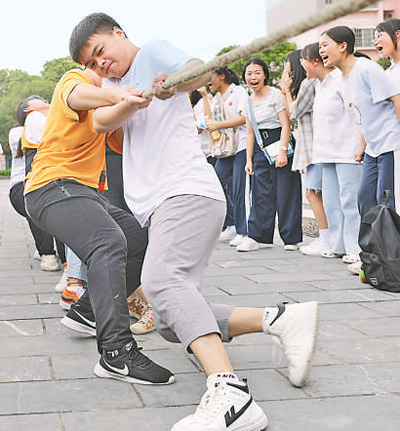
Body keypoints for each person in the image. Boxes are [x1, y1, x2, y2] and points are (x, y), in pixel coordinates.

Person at [69, 13, 319, 430]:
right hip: (161, 205)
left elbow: (196, 72)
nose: (101, 65)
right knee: (171, 320)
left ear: (118, 33)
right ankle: (280, 319)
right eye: (92, 64)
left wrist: (173, 84)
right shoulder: (113, 88)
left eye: (101, 52)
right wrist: (127, 101)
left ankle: (232, 395)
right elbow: (100, 124)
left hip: (184, 191)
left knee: (161, 281)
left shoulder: (151, 52)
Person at [24, 66, 174, 386]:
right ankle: (116, 353)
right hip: (52, 186)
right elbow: (77, 95)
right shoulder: (76, 79)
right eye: (100, 65)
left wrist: (140, 101)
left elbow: (115, 134)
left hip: (86, 193)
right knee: (108, 242)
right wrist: (119, 94)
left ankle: (88, 311)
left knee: (137, 237)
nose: (109, 74)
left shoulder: (103, 104)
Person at [319, 26, 400, 274]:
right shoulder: (342, 78)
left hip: (390, 143)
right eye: (320, 46)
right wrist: (362, 146)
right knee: (364, 198)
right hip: (373, 148)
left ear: (343, 46)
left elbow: (396, 99)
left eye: (325, 45)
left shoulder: (366, 69)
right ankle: (373, 257)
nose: (321, 50)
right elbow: (362, 114)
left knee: (387, 202)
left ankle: (391, 261)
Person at [300, 42, 362, 263]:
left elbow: (357, 113)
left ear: (314, 62)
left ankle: (355, 248)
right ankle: (337, 245)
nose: (302, 66)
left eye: (303, 61)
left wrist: (360, 146)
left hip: (347, 151)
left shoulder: (341, 80)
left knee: (350, 203)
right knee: (332, 203)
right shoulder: (319, 85)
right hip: (325, 153)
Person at [238, 57, 303, 252]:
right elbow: (250, 132)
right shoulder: (248, 101)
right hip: (260, 147)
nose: (253, 77)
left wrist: (282, 151)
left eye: (257, 73)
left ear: (265, 75)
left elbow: (286, 124)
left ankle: (291, 238)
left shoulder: (275, 95)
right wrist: (249, 159)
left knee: (286, 192)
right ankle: (259, 237)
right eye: (249, 74)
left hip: (280, 142)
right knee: (260, 193)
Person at [281, 50, 330, 256]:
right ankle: (327, 237)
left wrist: (286, 90)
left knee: (313, 192)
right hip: (315, 146)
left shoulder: (308, 85)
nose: (285, 75)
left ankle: (326, 239)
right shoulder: (315, 84)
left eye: (288, 71)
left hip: (314, 147)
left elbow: (294, 112)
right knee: (320, 193)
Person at [17, 95, 66, 273]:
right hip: (43, 185)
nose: (45, 101)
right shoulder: (34, 118)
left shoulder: (43, 118)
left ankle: (70, 273)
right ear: (28, 109)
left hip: (47, 183)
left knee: (63, 224)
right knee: (63, 224)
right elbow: (61, 136)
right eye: (38, 100)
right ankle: (69, 273)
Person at [205, 67, 249, 247]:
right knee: (215, 183)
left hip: (241, 146)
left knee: (239, 188)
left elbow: (245, 118)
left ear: (221, 76)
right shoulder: (216, 98)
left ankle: (243, 231)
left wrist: (220, 125)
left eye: (210, 76)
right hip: (224, 149)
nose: (207, 81)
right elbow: (209, 119)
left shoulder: (237, 92)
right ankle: (230, 223)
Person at [374, 18, 400, 214]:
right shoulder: (388, 73)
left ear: (397, 35)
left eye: (379, 36)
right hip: (391, 144)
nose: (375, 42)